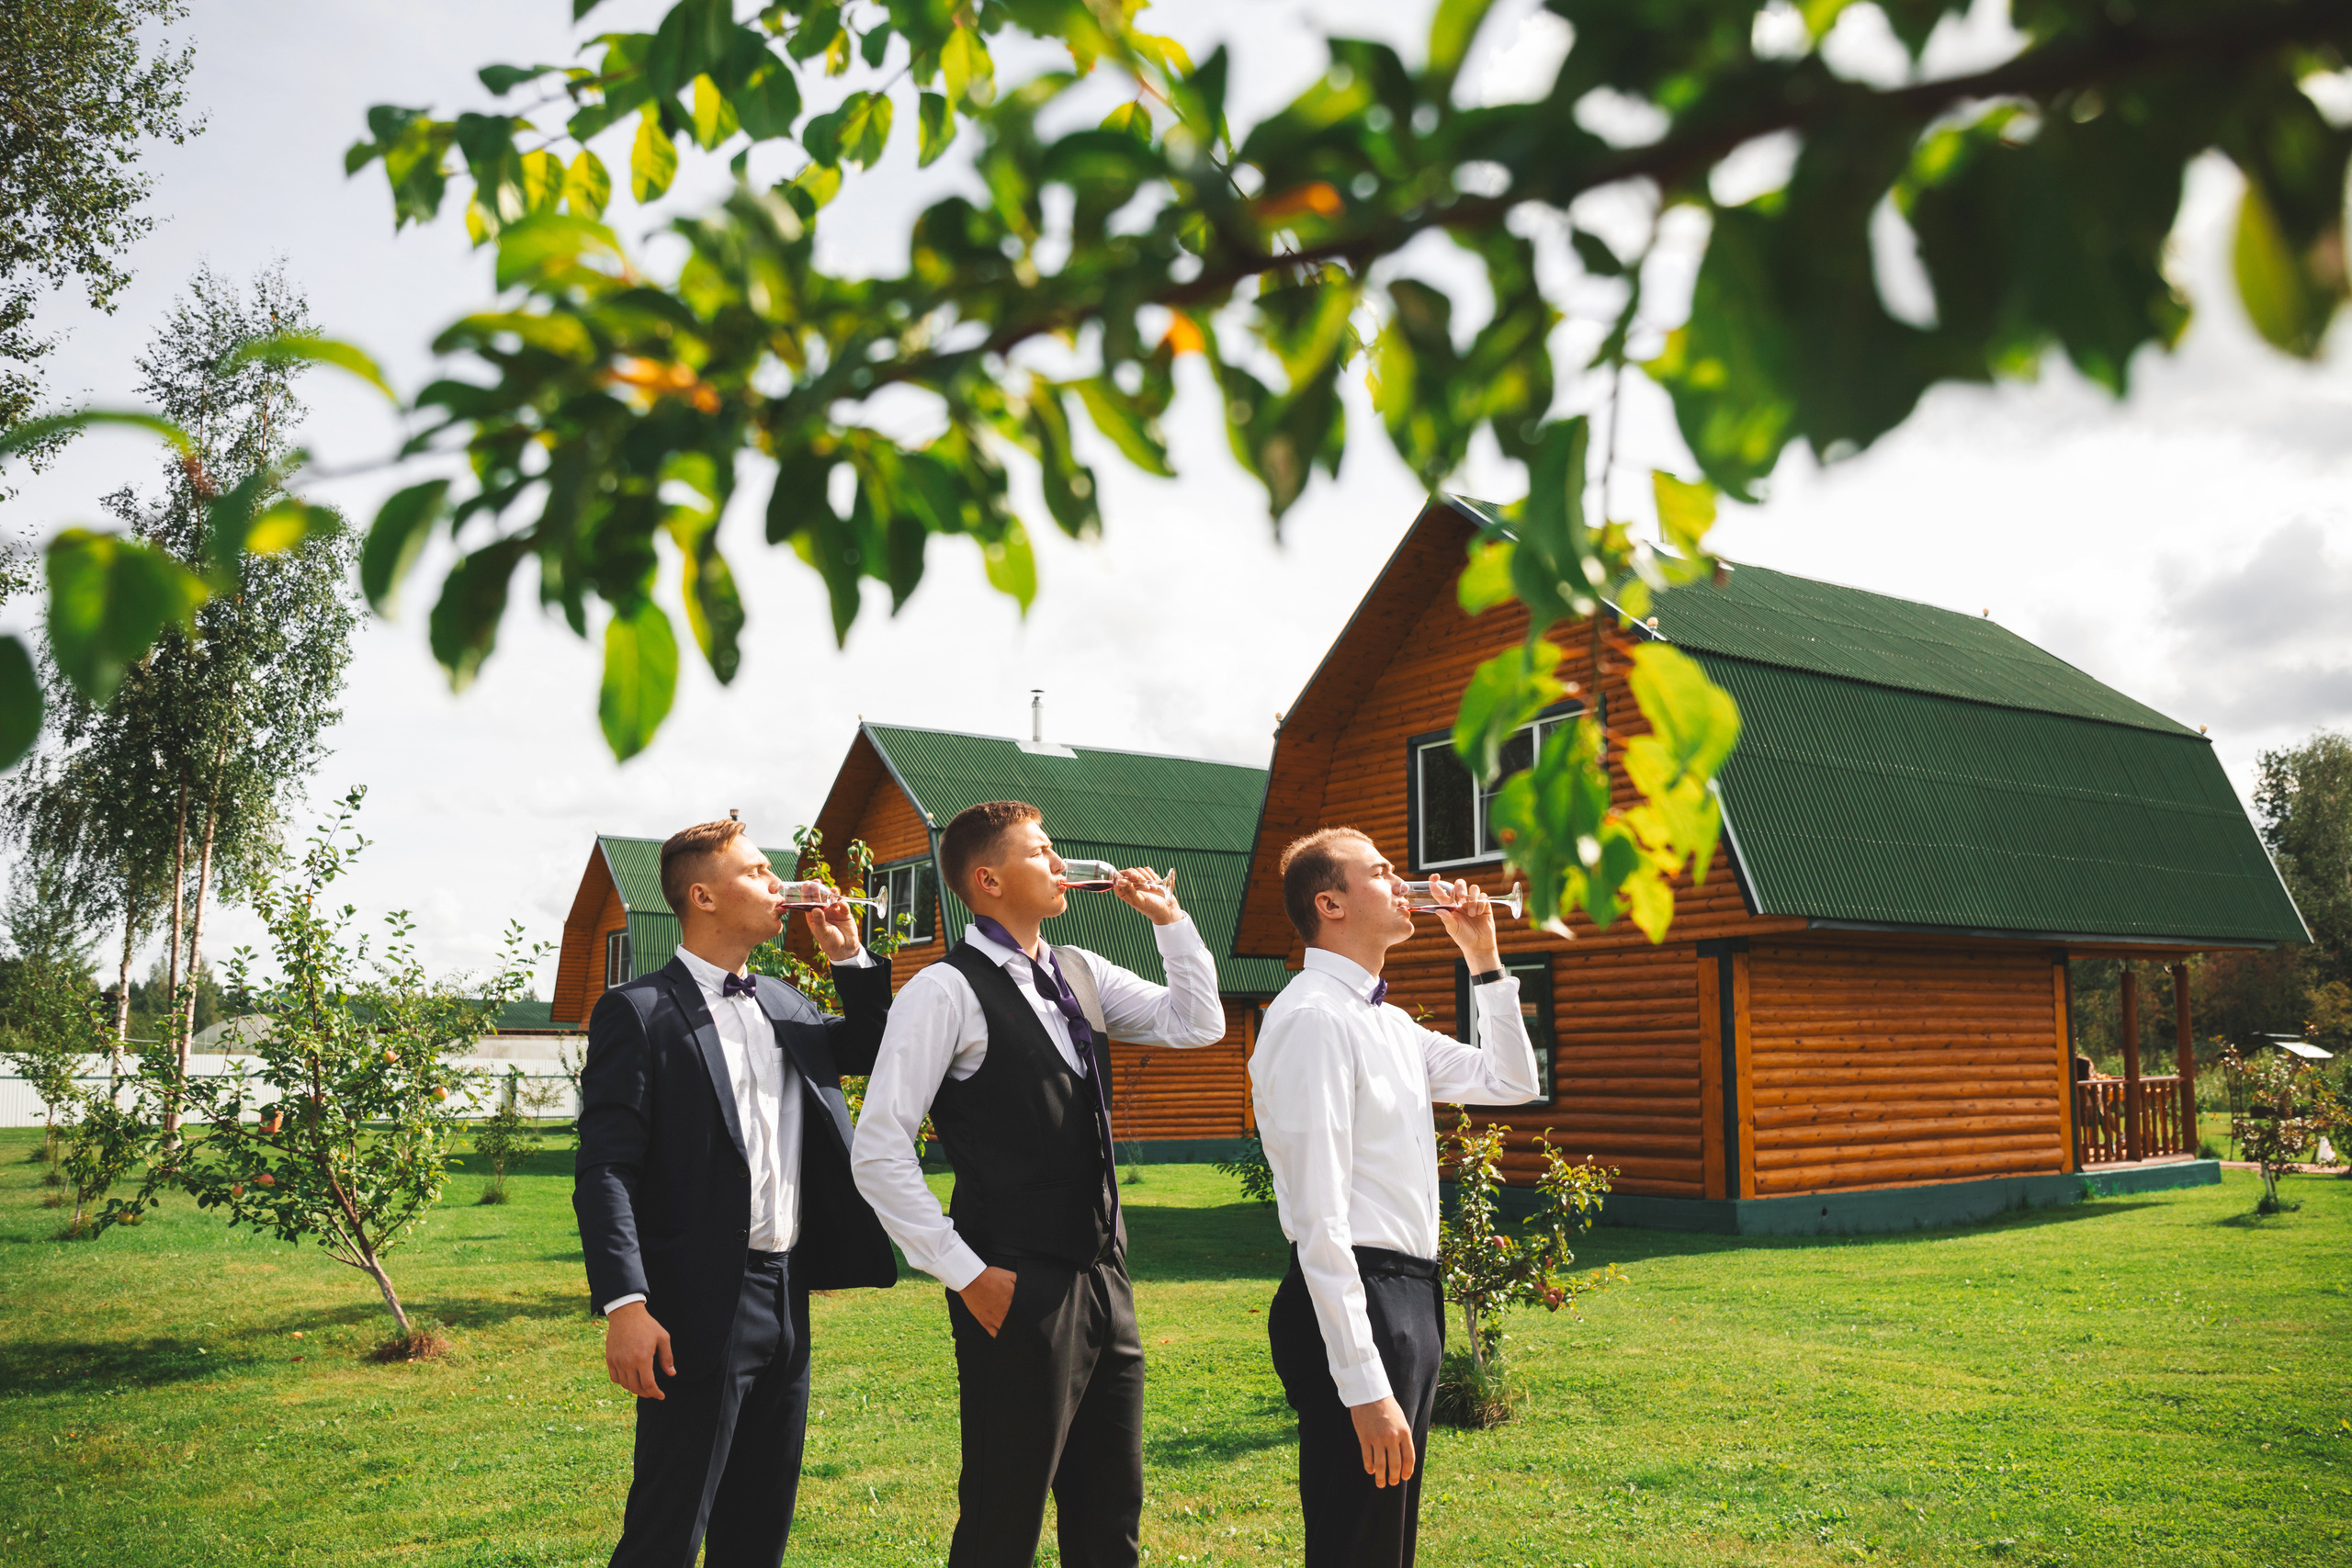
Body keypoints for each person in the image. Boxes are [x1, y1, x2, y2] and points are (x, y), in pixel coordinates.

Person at [851, 799, 1227, 1568]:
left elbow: (1198, 1023)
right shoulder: (943, 991)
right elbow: (879, 1149)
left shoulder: (1079, 970)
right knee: (1004, 1516)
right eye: (1043, 850)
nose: (1062, 863)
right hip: (1011, 1283)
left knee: (1110, 1508)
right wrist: (968, 1275)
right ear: (988, 879)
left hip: (1103, 1278)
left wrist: (1170, 923)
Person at [575, 818, 897, 1568]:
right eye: (758, 872)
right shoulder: (639, 1011)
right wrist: (627, 1304)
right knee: (668, 1528)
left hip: (787, 1293)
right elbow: (606, 1168)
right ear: (703, 896)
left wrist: (849, 953)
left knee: (758, 1529)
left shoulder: (784, 1002)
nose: (780, 886)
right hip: (694, 1303)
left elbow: (878, 1044)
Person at [1250, 827, 1541, 1568]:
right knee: (1356, 1545)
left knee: (1386, 1544)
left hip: (1411, 1294)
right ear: (1331, 902)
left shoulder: (1390, 1023)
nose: (1406, 881)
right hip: (1358, 1295)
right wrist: (1364, 1382)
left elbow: (1513, 1082)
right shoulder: (1315, 1018)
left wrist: (1484, 957)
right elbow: (1319, 1220)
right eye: (1381, 872)